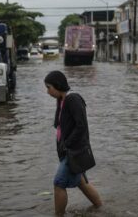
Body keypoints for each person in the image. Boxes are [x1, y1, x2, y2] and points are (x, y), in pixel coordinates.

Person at [44, 70, 102, 216]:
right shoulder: (62, 101)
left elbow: (81, 126)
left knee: (59, 183)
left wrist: (67, 144)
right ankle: (100, 208)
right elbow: (61, 126)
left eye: (49, 87)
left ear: (57, 85)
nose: (47, 91)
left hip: (73, 151)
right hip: (67, 151)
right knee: (81, 183)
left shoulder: (73, 99)